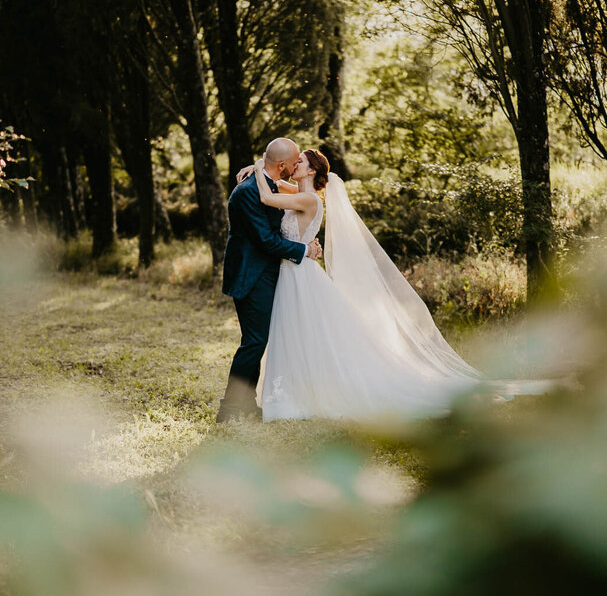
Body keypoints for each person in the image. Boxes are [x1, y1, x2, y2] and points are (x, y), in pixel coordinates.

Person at [233, 149, 546, 422]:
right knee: (299, 336)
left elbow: (267, 195)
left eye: (299, 161)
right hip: (294, 274)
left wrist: (258, 170)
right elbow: (278, 179)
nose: (293, 164)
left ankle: (302, 395)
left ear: (311, 170)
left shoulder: (307, 198)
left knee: (308, 335)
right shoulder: (300, 190)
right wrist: (260, 165)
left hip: (299, 275)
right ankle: (297, 390)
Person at [217, 138, 322, 422]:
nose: (298, 163)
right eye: (295, 160)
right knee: (254, 342)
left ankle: (247, 404)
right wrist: (305, 250)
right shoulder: (250, 191)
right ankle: (228, 409)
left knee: (256, 341)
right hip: (251, 276)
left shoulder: (270, 184)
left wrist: (257, 165)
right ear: (284, 165)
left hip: (268, 275)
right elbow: (267, 241)